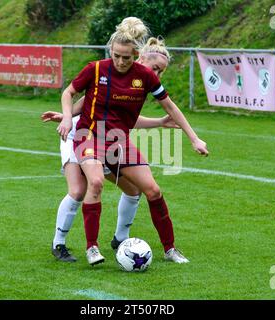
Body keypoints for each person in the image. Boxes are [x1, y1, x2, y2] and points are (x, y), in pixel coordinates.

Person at [58, 17, 209, 266]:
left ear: (135, 54)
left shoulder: (146, 77)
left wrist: (194, 138)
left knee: (153, 190)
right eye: (116, 55)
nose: (120, 61)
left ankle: (170, 249)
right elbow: (70, 93)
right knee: (94, 182)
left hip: (119, 142)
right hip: (89, 135)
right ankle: (92, 248)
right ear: (111, 51)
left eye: (126, 57)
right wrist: (66, 117)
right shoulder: (96, 69)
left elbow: (170, 107)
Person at [42, 36, 179, 263]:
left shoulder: (141, 81)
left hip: (110, 140)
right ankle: (60, 243)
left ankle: (120, 239)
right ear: (140, 57)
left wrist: (159, 122)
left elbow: (125, 120)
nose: (157, 75)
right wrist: (66, 116)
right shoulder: (108, 72)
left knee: (134, 190)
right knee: (79, 190)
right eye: (155, 68)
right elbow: (84, 102)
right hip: (81, 133)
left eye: (161, 72)